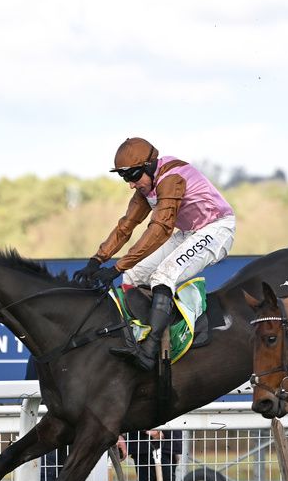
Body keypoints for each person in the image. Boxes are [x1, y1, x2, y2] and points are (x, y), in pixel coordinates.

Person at [72, 137, 236, 371]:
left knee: (163, 276)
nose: (130, 184)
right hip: (191, 231)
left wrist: (117, 267)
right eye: (124, 177)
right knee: (133, 276)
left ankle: (151, 350)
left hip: (218, 228)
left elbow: (160, 229)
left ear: (149, 167)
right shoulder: (147, 183)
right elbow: (125, 226)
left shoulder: (171, 179)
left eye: (132, 176)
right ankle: (139, 336)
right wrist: (97, 259)